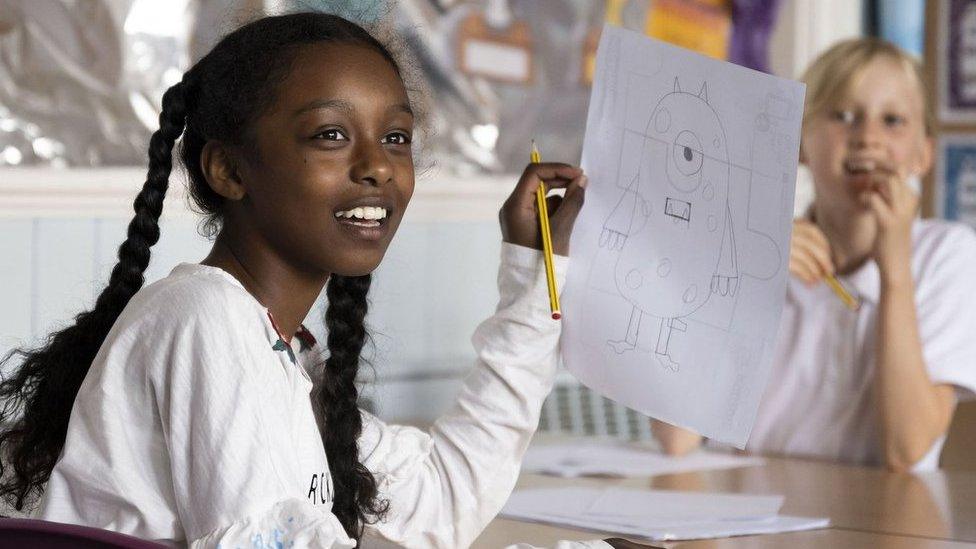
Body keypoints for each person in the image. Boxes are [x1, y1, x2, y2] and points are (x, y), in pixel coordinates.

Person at [0, 12, 640, 548]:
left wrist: (533, 272)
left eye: (396, 137)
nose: (379, 168)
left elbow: (446, 497)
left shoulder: (283, 354)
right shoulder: (204, 318)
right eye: (330, 134)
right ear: (228, 169)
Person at [652, 37, 976, 471]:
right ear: (800, 142)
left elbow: (906, 450)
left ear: (923, 154)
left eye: (893, 120)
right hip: (741, 518)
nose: (868, 138)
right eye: (842, 116)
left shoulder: (946, 255)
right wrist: (738, 273)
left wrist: (895, 270)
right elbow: (677, 438)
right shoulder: (752, 252)